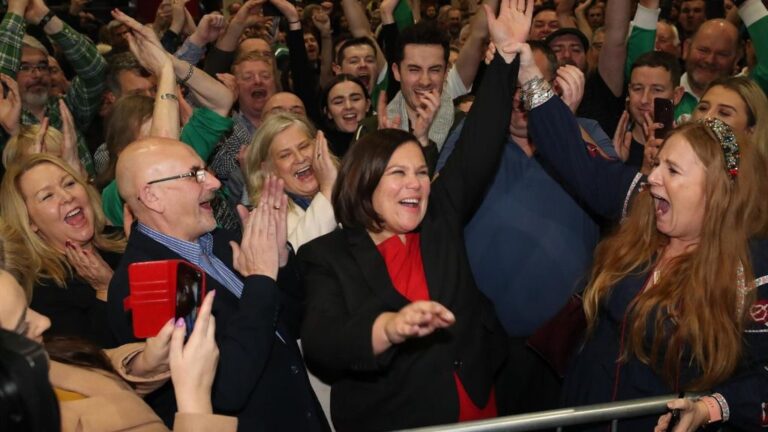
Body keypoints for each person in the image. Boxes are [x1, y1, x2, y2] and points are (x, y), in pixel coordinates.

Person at [298, 0, 529, 429]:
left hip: (477, 408)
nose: (416, 184)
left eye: (422, 172)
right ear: (364, 182)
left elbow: (481, 139)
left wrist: (508, 57)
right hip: (397, 417)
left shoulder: (440, 216)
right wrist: (387, 328)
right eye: (398, 173)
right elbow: (321, 343)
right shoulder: (325, 256)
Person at [517, 45, 768, 430]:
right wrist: (525, 65)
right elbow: (575, 158)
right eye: (659, 164)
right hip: (584, 414)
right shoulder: (646, 207)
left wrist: (710, 408)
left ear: (715, 191)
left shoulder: (751, 268)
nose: (652, 178)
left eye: (673, 170)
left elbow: (759, 378)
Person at [109, 137, 329, 431]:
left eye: (208, 171)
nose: (213, 183)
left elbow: (289, 325)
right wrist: (261, 281)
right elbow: (224, 388)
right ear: (152, 197)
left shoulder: (221, 241)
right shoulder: (149, 282)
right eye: (195, 175)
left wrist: (279, 262)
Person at [0, 222, 237, 431]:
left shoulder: (37, 360)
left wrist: (144, 364)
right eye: (22, 326)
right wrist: (194, 402)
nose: (44, 322)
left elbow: (90, 368)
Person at [0, 153, 125, 348]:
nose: (68, 197)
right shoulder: (43, 293)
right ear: (30, 222)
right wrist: (106, 289)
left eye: (69, 183)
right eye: (48, 196)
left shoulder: (122, 238)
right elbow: (90, 362)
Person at [243, 113, 338, 249]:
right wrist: (328, 188)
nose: (300, 158)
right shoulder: (267, 221)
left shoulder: (350, 185)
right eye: (285, 155)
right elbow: (299, 255)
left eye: (304, 146)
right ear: (268, 170)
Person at [320, 74, 371, 157]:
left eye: (355, 99)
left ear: (367, 105)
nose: (348, 106)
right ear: (328, 112)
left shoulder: (382, 138)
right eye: (338, 102)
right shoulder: (324, 152)